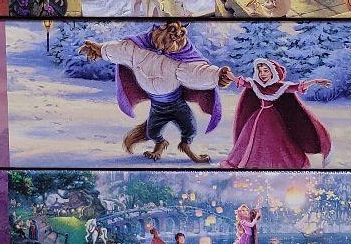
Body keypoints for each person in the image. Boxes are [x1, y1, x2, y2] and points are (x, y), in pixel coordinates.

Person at [79, 21, 235, 163]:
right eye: (172, 32)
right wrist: (100, 49)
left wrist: (217, 75)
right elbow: (120, 50)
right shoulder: (138, 47)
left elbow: (196, 71)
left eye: (180, 34)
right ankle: (160, 144)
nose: (176, 37)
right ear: (159, 30)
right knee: (152, 132)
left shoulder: (181, 57)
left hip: (176, 104)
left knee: (190, 129)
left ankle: (186, 147)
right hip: (157, 106)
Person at [222, 58, 332, 169]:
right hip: (258, 118)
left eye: (266, 71)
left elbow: (296, 87)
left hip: (273, 119)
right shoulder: (256, 85)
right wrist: (231, 76)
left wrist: (314, 82)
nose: (262, 74)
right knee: (253, 140)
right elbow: (243, 83)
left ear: (272, 72)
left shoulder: (279, 86)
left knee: (276, 141)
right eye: (260, 71)